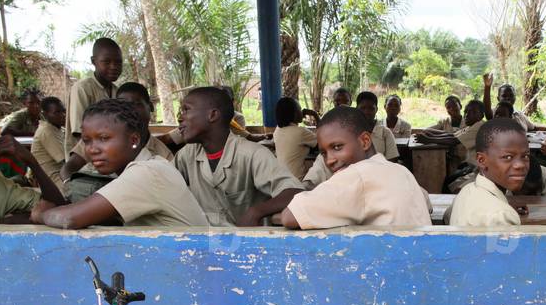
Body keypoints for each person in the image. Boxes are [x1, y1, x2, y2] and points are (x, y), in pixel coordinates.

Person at [32, 99, 207, 229]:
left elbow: (69, 218)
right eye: (87, 141)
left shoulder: (147, 172)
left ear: (134, 140)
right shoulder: (150, 165)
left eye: (104, 138)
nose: (92, 149)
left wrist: (41, 215)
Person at [276, 106, 431, 230]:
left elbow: (289, 216)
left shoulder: (358, 174)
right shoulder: (401, 171)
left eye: (337, 147)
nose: (329, 160)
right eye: (323, 153)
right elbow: (427, 204)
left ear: (364, 141)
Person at [175, 87, 303, 226]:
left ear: (212, 115)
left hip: (249, 243)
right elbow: (163, 182)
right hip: (207, 243)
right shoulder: (187, 155)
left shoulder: (252, 154)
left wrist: (256, 212)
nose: (180, 118)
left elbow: (294, 192)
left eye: (186, 110)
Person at [61, 82, 172, 185]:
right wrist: (71, 188)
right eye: (122, 104)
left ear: (150, 107)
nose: (129, 109)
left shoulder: (162, 155)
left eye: (135, 104)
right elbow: (69, 167)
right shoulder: (94, 140)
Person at [447, 118, 527, 227]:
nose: (520, 165)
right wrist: (502, 209)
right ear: (481, 160)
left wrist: (503, 205)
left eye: (525, 156)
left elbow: (446, 217)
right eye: (507, 157)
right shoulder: (502, 216)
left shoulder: (466, 190)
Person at [66, 37, 123, 154]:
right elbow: (79, 133)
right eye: (107, 62)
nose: (113, 66)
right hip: (84, 160)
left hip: (111, 156)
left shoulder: (118, 92)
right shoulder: (82, 88)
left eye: (118, 62)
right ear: (93, 61)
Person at [414, 99, 487, 188]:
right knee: (448, 180)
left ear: (481, 115)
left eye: (472, 112)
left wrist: (428, 139)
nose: (467, 115)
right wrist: (431, 134)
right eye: (466, 112)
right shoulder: (471, 126)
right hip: (469, 165)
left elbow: (453, 140)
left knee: (449, 185)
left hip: (476, 169)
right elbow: (452, 135)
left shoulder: (479, 126)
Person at [273, 96, 319, 180]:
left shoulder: (278, 129)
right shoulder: (301, 132)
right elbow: (323, 142)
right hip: (298, 182)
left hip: (282, 180)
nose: (302, 112)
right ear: (293, 114)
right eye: (299, 109)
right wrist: (315, 115)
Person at [30, 97, 67, 187]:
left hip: (58, 173)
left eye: (63, 111)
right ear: (45, 114)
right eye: (57, 112)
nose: (63, 115)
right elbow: (67, 160)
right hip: (51, 178)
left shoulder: (56, 129)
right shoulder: (47, 131)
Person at [355, 91, 399, 160]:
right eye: (363, 108)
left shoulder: (385, 132)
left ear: (376, 110)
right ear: (356, 109)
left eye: (371, 108)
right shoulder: (350, 132)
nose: (367, 112)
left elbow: (392, 161)